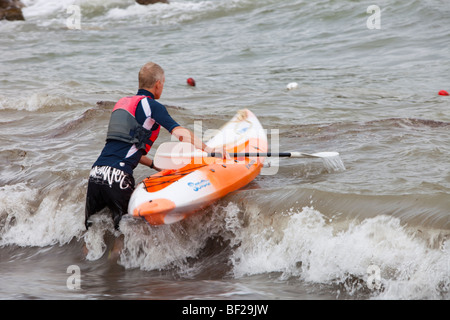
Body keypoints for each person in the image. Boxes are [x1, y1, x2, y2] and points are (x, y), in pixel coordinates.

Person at [85, 62, 226, 230]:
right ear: (158, 84)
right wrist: (209, 150)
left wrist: (153, 165)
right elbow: (180, 133)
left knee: (92, 232)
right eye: (163, 84)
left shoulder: (121, 104)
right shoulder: (152, 106)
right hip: (118, 177)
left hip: (96, 173)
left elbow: (124, 148)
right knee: (126, 233)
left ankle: (88, 256)